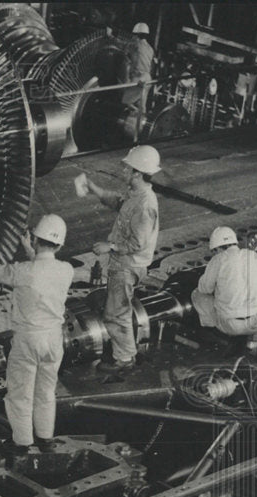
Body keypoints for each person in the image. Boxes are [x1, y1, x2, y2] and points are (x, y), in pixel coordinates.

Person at [0, 215, 74, 455]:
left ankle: (23, 443)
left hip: (28, 340)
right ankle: (45, 439)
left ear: (37, 239)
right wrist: (30, 248)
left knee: (20, 393)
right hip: (53, 340)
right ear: (60, 245)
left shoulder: (23, 272)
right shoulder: (66, 270)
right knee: (46, 391)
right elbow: (42, 270)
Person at [78, 145, 161, 372]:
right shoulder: (136, 195)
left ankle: (124, 359)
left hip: (128, 265)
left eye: (127, 167)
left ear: (137, 172)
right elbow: (118, 202)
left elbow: (138, 243)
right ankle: (124, 353)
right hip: (122, 263)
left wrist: (110, 246)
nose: (123, 170)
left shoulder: (145, 204)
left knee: (117, 313)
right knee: (117, 309)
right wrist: (95, 189)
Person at [192, 226, 257, 352]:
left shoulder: (218, 259)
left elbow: (205, 288)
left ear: (217, 248)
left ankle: (214, 333)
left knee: (197, 294)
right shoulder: (253, 255)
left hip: (230, 325)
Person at [122, 22, 155, 142]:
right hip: (147, 78)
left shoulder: (135, 45)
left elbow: (129, 59)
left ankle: (136, 130)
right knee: (143, 105)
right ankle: (140, 134)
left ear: (137, 35)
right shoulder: (150, 48)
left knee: (125, 101)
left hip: (138, 78)